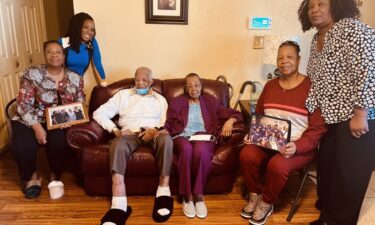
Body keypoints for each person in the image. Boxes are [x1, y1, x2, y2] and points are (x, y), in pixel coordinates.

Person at [298, 0, 375, 224]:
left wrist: (360, 113)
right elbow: (316, 81)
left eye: (322, 4)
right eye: (311, 6)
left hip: (356, 118)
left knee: (348, 177)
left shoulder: (351, 28)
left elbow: (369, 70)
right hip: (330, 118)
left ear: (337, 6)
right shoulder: (316, 39)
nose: (315, 10)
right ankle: (327, 219)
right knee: (329, 171)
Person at [239, 41, 326, 225]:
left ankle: (267, 202)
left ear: (299, 59)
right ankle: (255, 195)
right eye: (280, 58)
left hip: (295, 146)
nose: (284, 61)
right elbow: (259, 115)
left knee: (277, 166)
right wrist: (252, 133)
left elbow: (318, 127)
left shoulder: (311, 88)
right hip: (268, 142)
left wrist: (297, 146)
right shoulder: (270, 85)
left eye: (289, 57)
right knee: (246, 154)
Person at [93, 67, 174, 225]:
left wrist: (156, 130)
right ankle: (119, 205)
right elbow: (98, 113)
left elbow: (166, 123)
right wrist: (115, 130)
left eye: (144, 79)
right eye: (137, 79)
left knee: (166, 140)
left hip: (153, 132)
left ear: (151, 82)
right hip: (129, 133)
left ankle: (163, 193)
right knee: (117, 145)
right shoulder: (123, 95)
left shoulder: (160, 99)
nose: (140, 82)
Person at [11, 40, 84, 200]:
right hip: (29, 118)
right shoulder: (31, 74)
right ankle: (32, 177)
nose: (54, 55)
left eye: (58, 52)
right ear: (44, 55)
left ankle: (54, 175)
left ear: (64, 56)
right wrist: (37, 127)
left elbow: (80, 104)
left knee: (58, 142)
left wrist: (71, 119)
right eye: (49, 52)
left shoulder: (75, 77)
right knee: (22, 147)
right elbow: (23, 105)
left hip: (58, 120)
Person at [164, 73, 242, 219]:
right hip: (182, 136)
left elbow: (235, 113)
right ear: (186, 89)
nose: (194, 88)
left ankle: (198, 195)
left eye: (197, 85)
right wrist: (163, 131)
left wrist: (230, 121)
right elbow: (169, 122)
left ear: (201, 86)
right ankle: (187, 196)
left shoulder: (210, 101)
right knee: (186, 150)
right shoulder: (177, 102)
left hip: (203, 136)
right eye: (190, 86)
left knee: (201, 151)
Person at [58, 12, 107, 98]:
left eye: (92, 29)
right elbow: (54, 68)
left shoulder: (92, 43)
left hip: (78, 88)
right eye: (85, 27)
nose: (89, 32)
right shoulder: (62, 42)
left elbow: (97, 64)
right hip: (60, 88)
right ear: (77, 27)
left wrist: (105, 88)